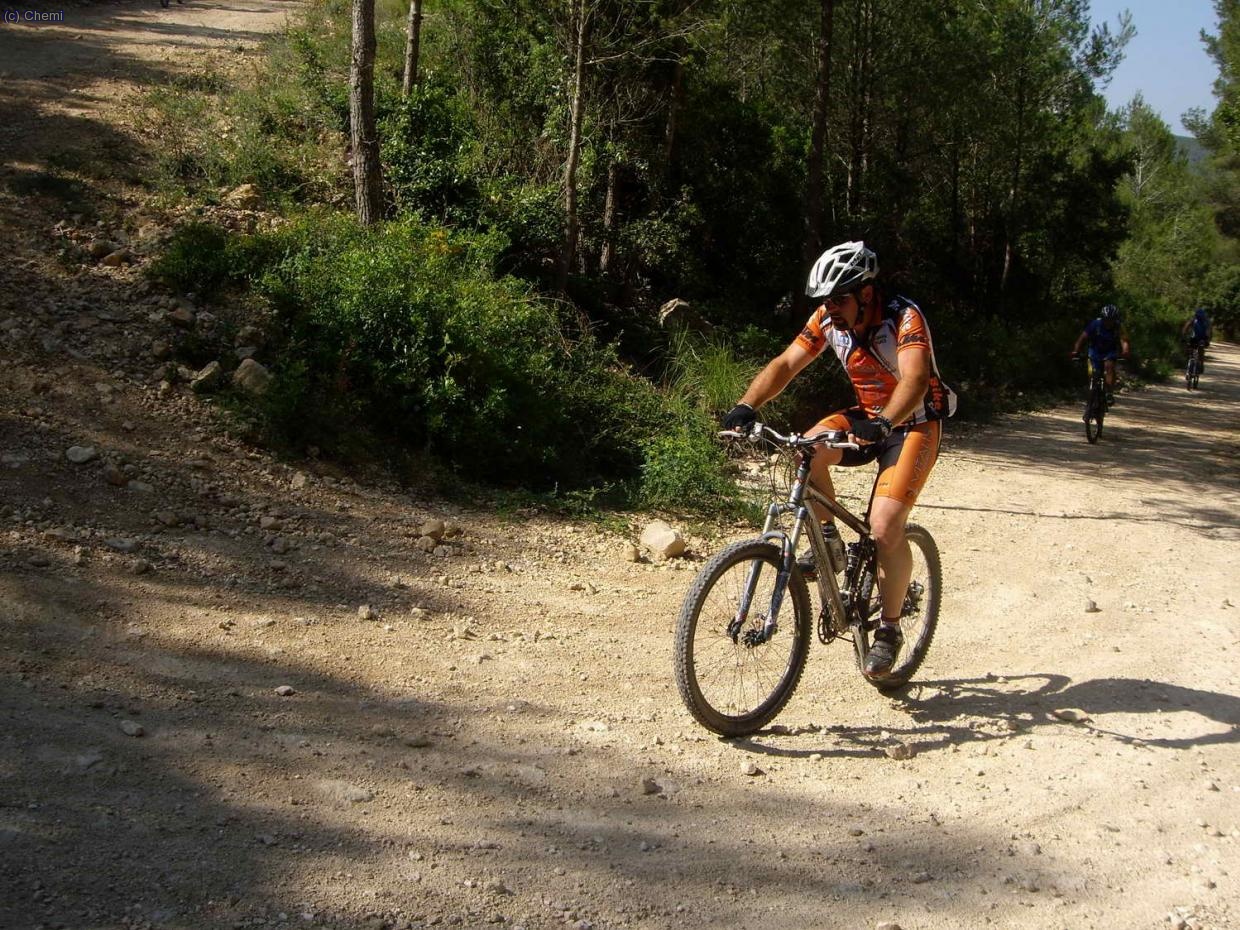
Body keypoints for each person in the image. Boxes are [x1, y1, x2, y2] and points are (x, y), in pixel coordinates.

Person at [721, 241, 956, 679]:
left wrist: (886, 422)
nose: (830, 309)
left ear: (865, 294)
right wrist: (745, 406)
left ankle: (888, 630)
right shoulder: (828, 321)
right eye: (825, 301)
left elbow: (917, 380)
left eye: (838, 299)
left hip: (915, 424)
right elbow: (786, 364)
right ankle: (829, 541)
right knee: (804, 448)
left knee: (885, 525)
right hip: (870, 420)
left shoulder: (904, 317)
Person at [1070, 305, 1130, 407]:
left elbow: (1124, 341)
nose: (1109, 322)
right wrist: (1076, 351)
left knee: (1109, 367)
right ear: (1103, 318)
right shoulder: (1095, 324)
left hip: (1110, 351)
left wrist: (1125, 351)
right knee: (1092, 372)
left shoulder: (1118, 327)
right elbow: (1082, 338)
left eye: (1111, 320)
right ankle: (1091, 391)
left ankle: (1109, 393)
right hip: (1094, 351)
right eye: (1106, 319)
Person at [1182, 307, 1212, 373]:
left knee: (1195, 349)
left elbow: (1185, 328)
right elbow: (1209, 332)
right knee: (1196, 350)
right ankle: (1197, 364)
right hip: (1199, 338)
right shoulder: (1205, 321)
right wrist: (1207, 341)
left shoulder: (1196, 320)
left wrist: (1183, 337)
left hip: (1198, 338)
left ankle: (1197, 364)